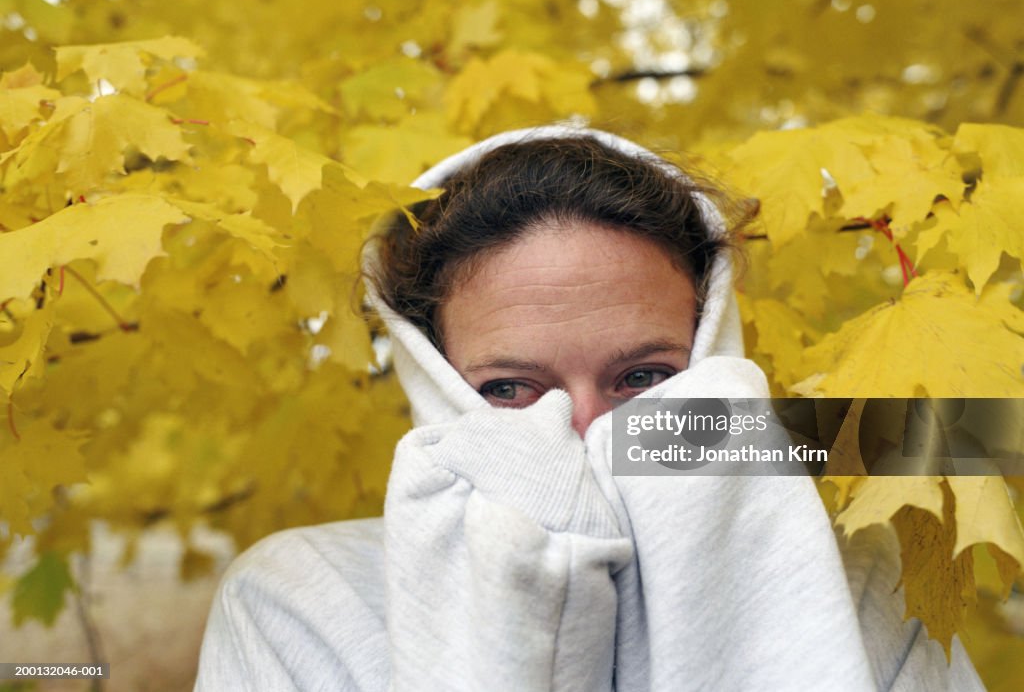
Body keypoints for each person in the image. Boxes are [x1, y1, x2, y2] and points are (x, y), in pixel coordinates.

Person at [194, 126, 983, 690]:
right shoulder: (300, 599)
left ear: (711, 357)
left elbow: (980, 435)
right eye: (509, 388)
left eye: (640, 377)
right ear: (433, 380)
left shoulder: (856, 583)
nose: (587, 430)